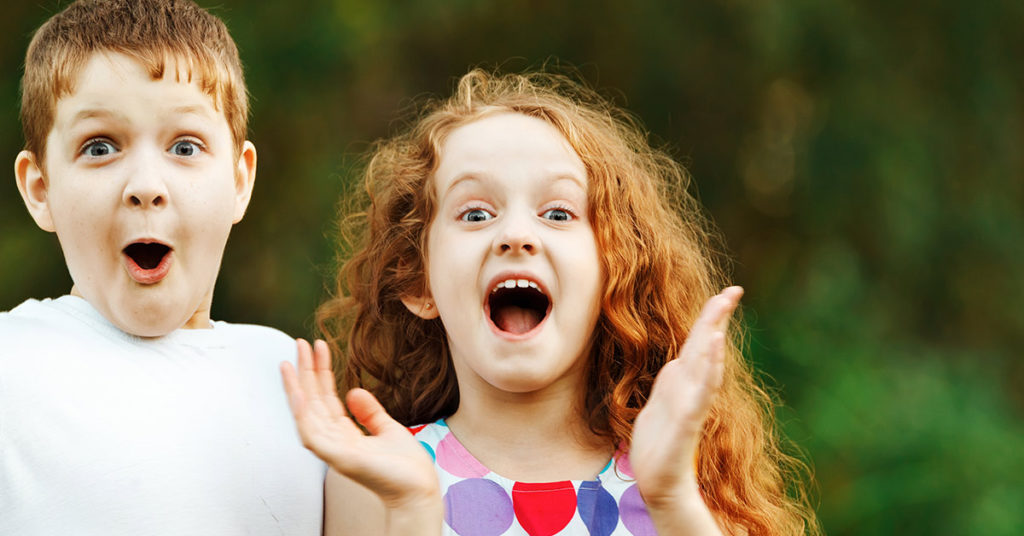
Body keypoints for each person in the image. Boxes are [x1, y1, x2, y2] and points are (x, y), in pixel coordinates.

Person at [282, 70, 821, 535]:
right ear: (419, 283)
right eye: (475, 214)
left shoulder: (679, 481)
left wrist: (672, 497)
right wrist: (413, 512)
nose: (516, 235)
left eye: (558, 214)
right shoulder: (375, 481)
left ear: (615, 274)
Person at [0, 1, 327, 533]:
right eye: (100, 147)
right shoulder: (10, 362)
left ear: (239, 182)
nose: (146, 185)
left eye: (184, 145)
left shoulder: (291, 376)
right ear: (41, 189)